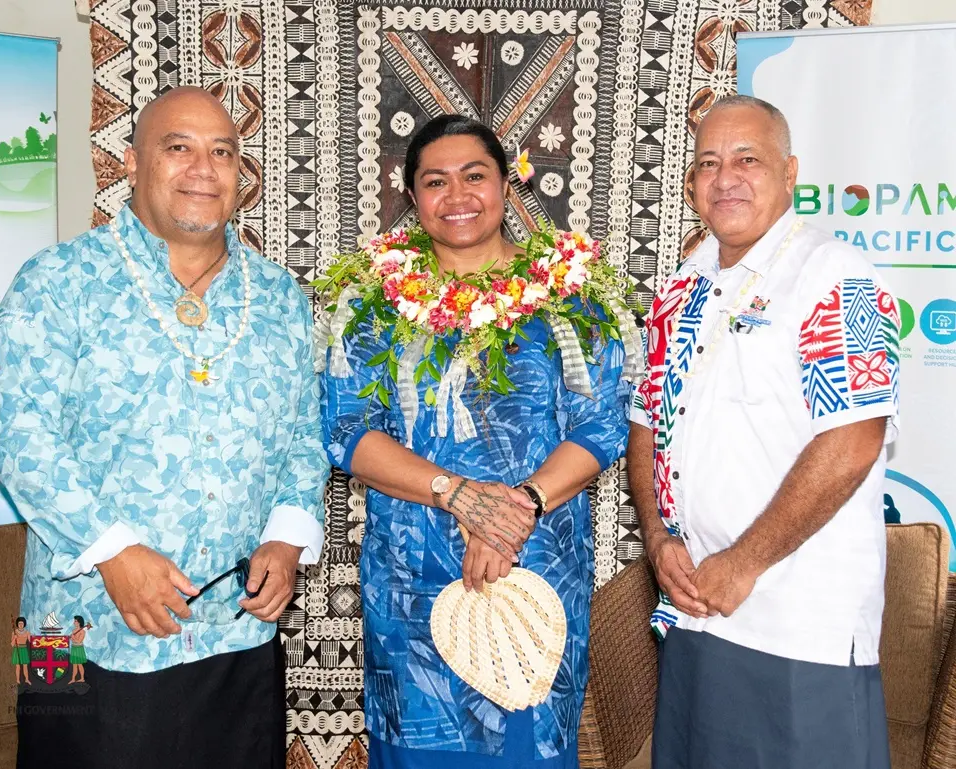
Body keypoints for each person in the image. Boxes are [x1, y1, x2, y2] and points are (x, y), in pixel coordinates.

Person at [0, 86, 329, 769]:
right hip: (71, 628)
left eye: (223, 152)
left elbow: (303, 435)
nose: (204, 168)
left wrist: (287, 540)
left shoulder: (281, 298)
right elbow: (16, 432)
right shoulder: (57, 279)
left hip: (235, 631)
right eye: (179, 148)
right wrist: (111, 550)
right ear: (133, 163)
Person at [319, 115, 634, 768]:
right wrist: (459, 495)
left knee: (528, 748)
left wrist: (514, 509)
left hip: (533, 572)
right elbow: (347, 430)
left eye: (474, 176)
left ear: (508, 188)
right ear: (411, 198)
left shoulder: (571, 300)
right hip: (410, 589)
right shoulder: (372, 306)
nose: (456, 195)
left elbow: (601, 426)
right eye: (435, 181)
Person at [628, 95, 899, 769]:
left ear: (790, 171)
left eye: (748, 159)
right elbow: (645, 420)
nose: (727, 178)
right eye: (709, 163)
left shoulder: (838, 278)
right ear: (691, 186)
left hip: (796, 629)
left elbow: (853, 441)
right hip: (696, 613)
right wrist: (659, 538)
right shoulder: (680, 290)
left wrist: (742, 563)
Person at [68, 615, 92, 684]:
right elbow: (73, 640)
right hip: (74, 648)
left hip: (79, 649)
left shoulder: (82, 632)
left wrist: (73, 637)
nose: (74, 622)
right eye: (74, 621)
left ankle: (82, 678)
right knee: (74, 665)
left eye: (75, 621)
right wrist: (71, 637)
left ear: (79, 622)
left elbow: (79, 641)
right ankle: (73, 679)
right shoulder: (74, 630)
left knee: (79, 664)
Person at [11, 616, 31, 685]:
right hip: (17, 649)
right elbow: (12, 644)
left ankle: (27, 679)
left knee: (25, 666)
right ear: (17, 624)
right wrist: (14, 638)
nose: (20, 625)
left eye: (22, 623)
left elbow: (31, 641)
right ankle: (17, 680)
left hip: (24, 649)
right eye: (19, 623)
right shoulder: (14, 632)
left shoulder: (27, 632)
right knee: (18, 666)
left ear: (24, 624)